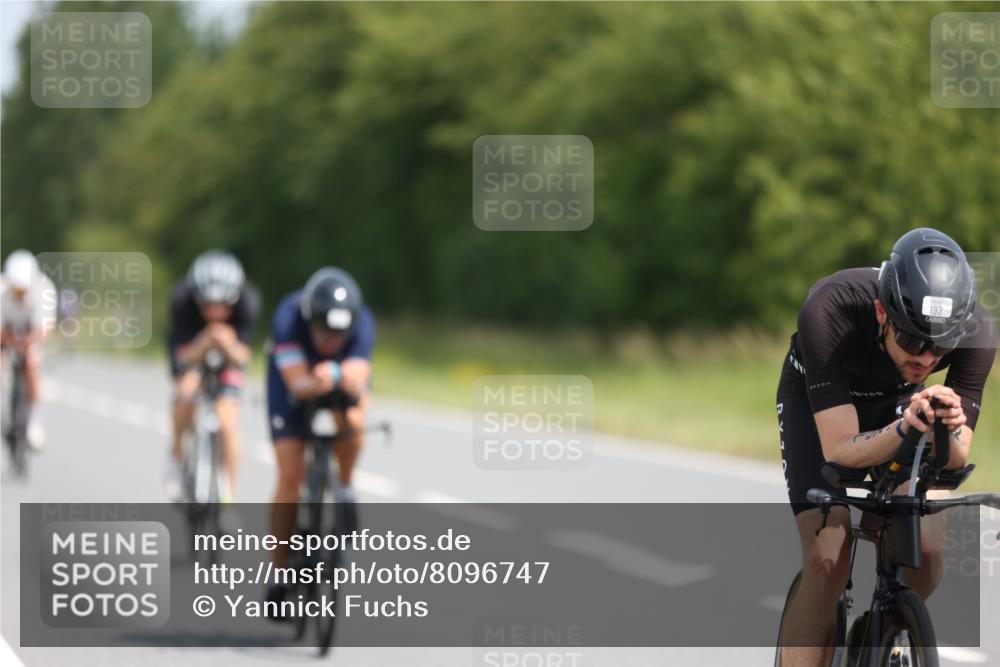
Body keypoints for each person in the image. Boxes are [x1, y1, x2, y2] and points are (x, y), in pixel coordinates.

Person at [776, 228, 996, 665]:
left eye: (941, 346)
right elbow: (839, 449)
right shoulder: (830, 308)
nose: (927, 359)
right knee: (828, 560)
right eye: (913, 340)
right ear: (881, 312)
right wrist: (903, 432)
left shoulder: (981, 334)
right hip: (823, 405)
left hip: (903, 408)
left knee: (927, 552)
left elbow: (956, 456)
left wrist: (947, 428)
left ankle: (885, 627)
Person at [264, 266, 375, 610]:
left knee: (354, 421)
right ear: (310, 319)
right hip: (293, 384)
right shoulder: (288, 317)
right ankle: (280, 571)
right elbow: (297, 382)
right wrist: (316, 381)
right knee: (290, 472)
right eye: (324, 333)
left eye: (339, 336)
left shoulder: (363, 321)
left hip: (335, 379)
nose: (331, 342)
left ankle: (345, 484)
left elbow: (358, 374)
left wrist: (338, 373)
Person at [163, 250, 260, 502]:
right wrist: (203, 343)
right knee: (186, 393)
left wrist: (228, 345)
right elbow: (182, 357)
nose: (216, 312)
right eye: (209, 305)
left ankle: (228, 494)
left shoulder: (248, 302)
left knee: (228, 424)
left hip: (228, 358)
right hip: (193, 352)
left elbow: (244, 357)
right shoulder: (182, 301)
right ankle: (176, 453)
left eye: (223, 305)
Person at [1, 250, 57, 449]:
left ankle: (34, 422)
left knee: (33, 365)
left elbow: (44, 329)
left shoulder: (44, 289)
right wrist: (10, 342)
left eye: (23, 290)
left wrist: (27, 343)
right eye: (16, 290)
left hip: (31, 333)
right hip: (6, 332)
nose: (19, 294)